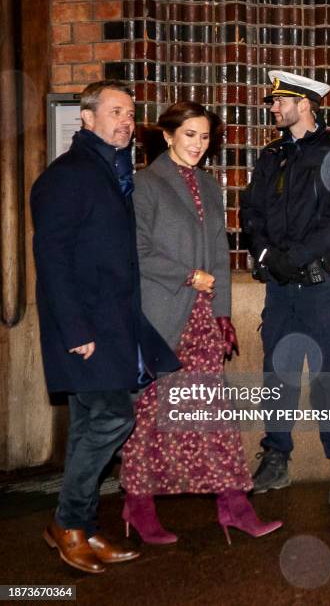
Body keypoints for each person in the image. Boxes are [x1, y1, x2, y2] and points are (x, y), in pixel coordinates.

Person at [30, 80, 180, 573]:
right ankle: (69, 522)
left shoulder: (112, 173)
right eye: (114, 111)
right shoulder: (67, 176)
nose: (125, 121)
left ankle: (81, 526)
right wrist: (76, 332)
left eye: (130, 113)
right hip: (84, 331)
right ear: (87, 118)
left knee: (89, 426)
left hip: (112, 328)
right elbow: (52, 260)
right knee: (115, 417)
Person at [120, 101, 282, 545]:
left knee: (215, 416)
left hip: (202, 322)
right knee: (152, 417)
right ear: (169, 135)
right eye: (189, 134)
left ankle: (234, 507)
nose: (198, 145)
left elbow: (220, 261)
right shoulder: (146, 184)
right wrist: (188, 276)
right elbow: (137, 250)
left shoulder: (210, 186)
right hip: (163, 317)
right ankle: (138, 504)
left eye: (205, 137)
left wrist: (223, 313)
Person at [240, 71, 330, 505]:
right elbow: (250, 212)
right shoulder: (271, 155)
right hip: (279, 287)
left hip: (320, 286)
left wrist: (293, 258)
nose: (273, 107)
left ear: (305, 104)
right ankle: (276, 459)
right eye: (273, 102)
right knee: (277, 374)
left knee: (329, 374)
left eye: (281, 101)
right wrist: (266, 255)